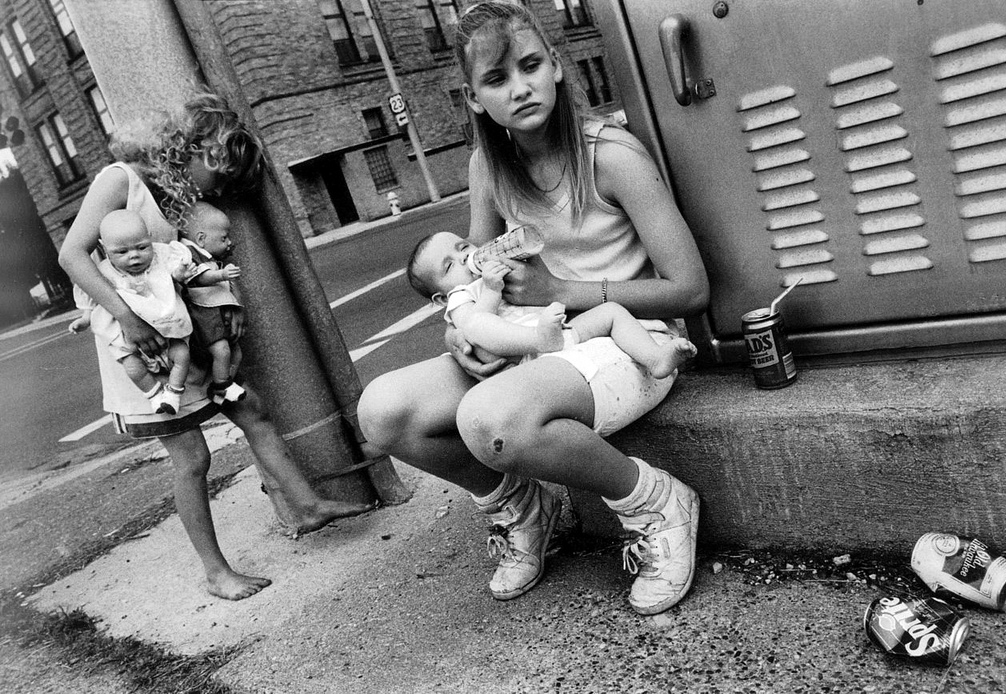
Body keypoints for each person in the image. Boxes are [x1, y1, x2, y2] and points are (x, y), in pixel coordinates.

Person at [358, 2, 710, 615]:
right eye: (497, 80)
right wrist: (461, 336)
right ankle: (525, 507)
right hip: (539, 342)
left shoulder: (611, 156)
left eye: (529, 66)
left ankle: (657, 503)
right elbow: (478, 274)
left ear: (557, 68)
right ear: (473, 98)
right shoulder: (488, 166)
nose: (519, 89)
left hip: (627, 337)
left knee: (489, 419)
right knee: (384, 412)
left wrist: (569, 293)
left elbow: (691, 288)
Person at [59, 89, 372, 601]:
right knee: (192, 459)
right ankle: (215, 571)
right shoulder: (120, 180)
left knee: (254, 413)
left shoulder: (169, 196)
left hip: (182, 336)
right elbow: (72, 256)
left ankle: (309, 507)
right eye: (221, 174)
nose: (221, 189)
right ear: (200, 149)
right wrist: (126, 320)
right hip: (143, 351)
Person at [407, 230, 698, 378]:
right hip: (525, 352)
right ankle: (541, 338)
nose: (463, 259)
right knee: (479, 328)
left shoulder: (490, 267)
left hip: (561, 333)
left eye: (463, 248)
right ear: (441, 298)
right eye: (449, 267)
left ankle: (655, 358)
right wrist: (492, 290)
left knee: (610, 313)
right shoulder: (460, 295)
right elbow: (473, 326)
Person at [84, 209, 194, 414]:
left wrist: (180, 273)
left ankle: (174, 392)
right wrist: (85, 316)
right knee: (132, 365)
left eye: (142, 247)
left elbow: (174, 267)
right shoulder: (104, 271)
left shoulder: (160, 255)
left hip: (166, 322)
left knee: (182, 354)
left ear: (150, 239)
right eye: (122, 252)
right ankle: (153, 393)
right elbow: (91, 295)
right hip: (131, 335)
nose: (134, 256)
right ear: (105, 248)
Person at [179, 201, 246, 406]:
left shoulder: (211, 256)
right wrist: (222, 274)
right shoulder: (189, 254)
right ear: (201, 238)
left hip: (218, 313)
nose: (229, 243)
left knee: (236, 353)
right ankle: (221, 385)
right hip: (206, 316)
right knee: (222, 351)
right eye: (224, 238)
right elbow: (200, 278)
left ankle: (222, 387)